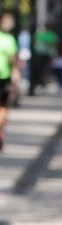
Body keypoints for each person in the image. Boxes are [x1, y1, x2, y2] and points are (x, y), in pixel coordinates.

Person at [0, 13, 18, 153]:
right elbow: (13, 60)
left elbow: (13, 59)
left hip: (3, 78)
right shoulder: (8, 39)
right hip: (3, 77)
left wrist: (15, 73)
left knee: (3, 107)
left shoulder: (9, 39)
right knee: (3, 108)